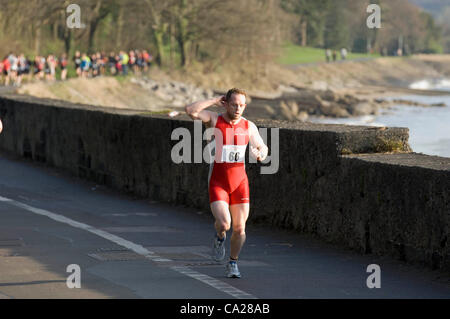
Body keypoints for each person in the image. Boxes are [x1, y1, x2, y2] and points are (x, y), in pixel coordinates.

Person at [184, 88, 268, 278]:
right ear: (226, 103)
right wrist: (213, 100)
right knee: (224, 224)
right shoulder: (214, 120)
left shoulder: (249, 126)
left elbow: (263, 147)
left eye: (241, 105)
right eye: (234, 104)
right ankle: (220, 237)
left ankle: (233, 262)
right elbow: (190, 110)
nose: (238, 108)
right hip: (218, 181)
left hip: (240, 183)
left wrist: (260, 154)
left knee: (240, 228)